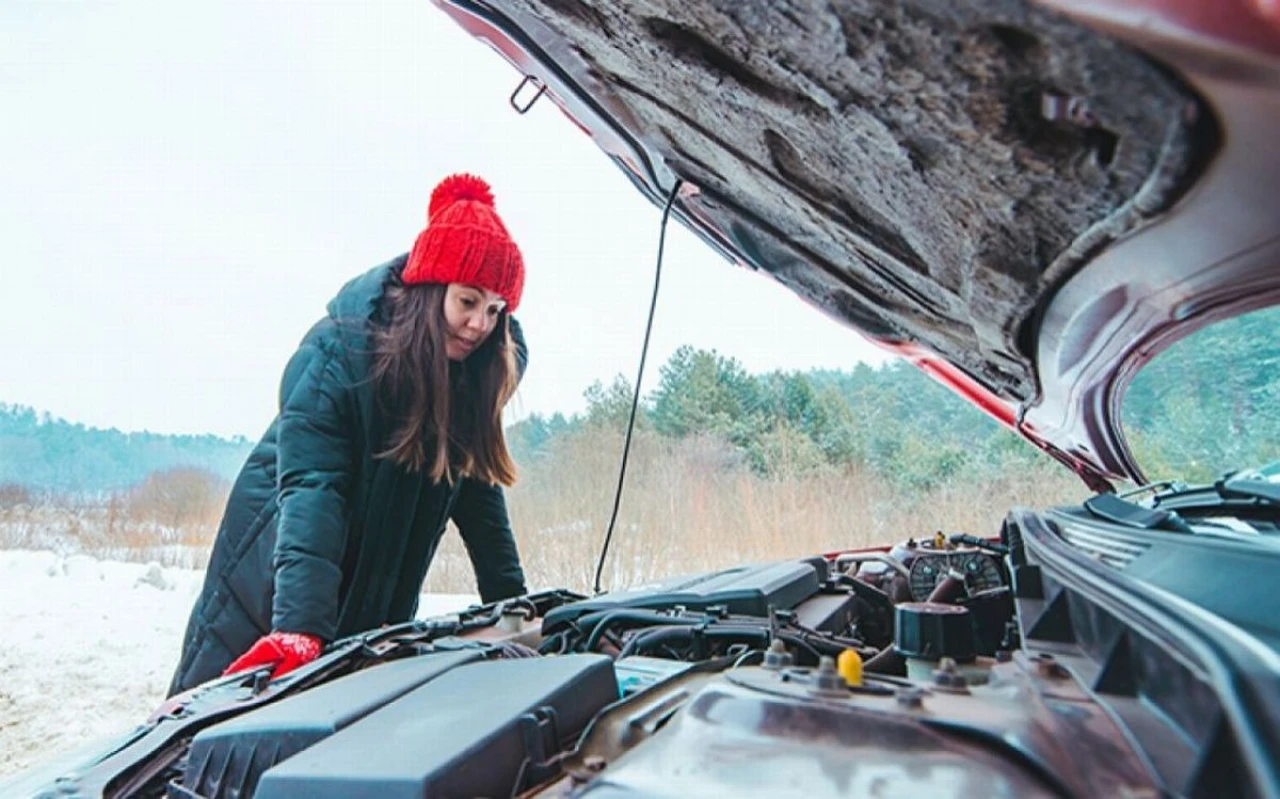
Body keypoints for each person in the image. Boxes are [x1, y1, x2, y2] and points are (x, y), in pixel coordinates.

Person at [168, 173, 530, 695]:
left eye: (495, 310)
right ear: (431, 290)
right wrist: (298, 627)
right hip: (275, 580)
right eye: (467, 301)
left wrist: (511, 601)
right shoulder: (341, 355)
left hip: (374, 585)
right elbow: (315, 488)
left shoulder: (468, 378)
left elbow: (476, 494)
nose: (479, 325)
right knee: (213, 731)